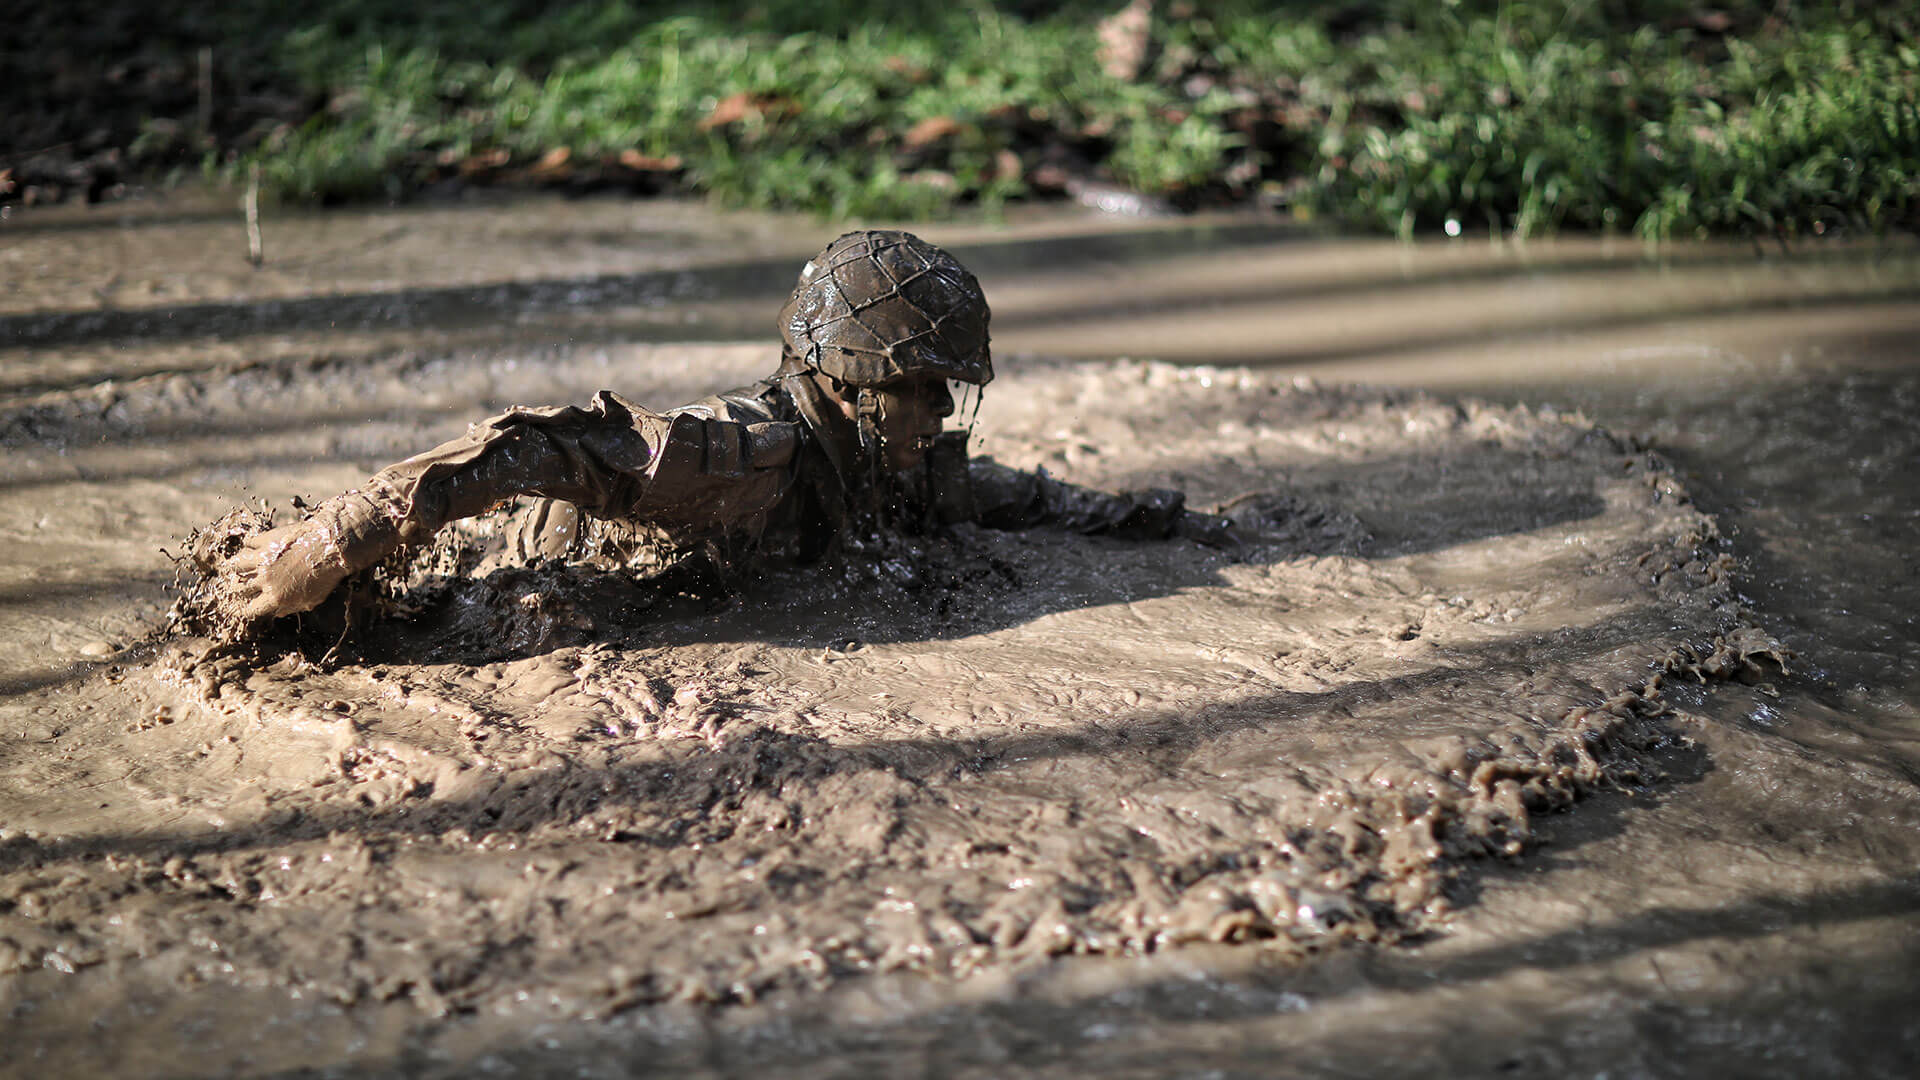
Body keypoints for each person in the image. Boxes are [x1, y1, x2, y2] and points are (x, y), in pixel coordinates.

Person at [189, 230, 1231, 642]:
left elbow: (1016, 494)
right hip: (500, 599)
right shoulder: (746, 460)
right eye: (926, 390)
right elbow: (537, 447)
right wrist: (330, 543)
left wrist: (1179, 527)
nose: (943, 414)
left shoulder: (885, 465)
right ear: (861, 384)